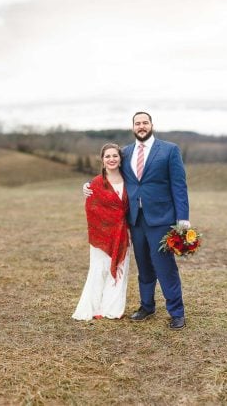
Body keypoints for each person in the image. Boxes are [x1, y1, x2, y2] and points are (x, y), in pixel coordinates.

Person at [84, 111, 190, 330]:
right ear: (133, 127)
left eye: (145, 122)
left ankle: (176, 312)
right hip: (134, 219)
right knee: (143, 265)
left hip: (161, 218)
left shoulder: (169, 150)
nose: (141, 126)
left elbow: (179, 185)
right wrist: (88, 185)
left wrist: (183, 218)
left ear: (151, 124)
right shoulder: (126, 153)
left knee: (164, 265)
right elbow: (109, 173)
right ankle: (146, 306)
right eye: (137, 123)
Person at [72, 143, 131, 320]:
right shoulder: (96, 183)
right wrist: (105, 229)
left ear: (120, 159)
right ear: (102, 160)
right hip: (102, 235)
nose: (112, 159)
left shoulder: (129, 181)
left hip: (123, 234)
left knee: (121, 269)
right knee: (99, 270)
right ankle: (93, 308)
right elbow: (92, 210)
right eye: (108, 156)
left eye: (115, 156)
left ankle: (112, 309)